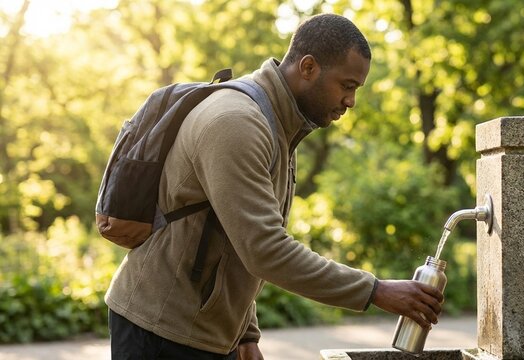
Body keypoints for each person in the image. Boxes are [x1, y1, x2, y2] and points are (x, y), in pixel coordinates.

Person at [106, 13, 444, 360]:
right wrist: (376, 291)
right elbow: (264, 248)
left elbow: (232, 234)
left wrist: (244, 333)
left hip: (202, 333)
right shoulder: (237, 123)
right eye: (347, 85)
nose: (351, 101)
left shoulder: (278, 124)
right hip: (161, 331)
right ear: (309, 67)